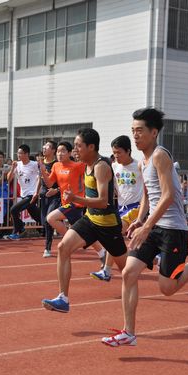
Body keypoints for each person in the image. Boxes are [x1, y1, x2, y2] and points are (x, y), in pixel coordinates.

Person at [102, 108, 188, 347]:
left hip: (173, 229)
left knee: (167, 288)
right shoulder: (143, 161)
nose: (135, 135)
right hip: (153, 226)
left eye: (140, 131)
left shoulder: (159, 156)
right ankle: (129, 333)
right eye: (133, 130)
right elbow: (147, 195)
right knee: (128, 273)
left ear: (154, 132)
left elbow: (167, 195)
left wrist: (146, 226)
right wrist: (140, 219)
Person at [41, 128, 127, 313]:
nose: (75, 150)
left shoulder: (101, 166)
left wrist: (75, 199)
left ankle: (158, 263)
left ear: (91, 147)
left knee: (128, 271)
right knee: (64, 248)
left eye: (79, 146)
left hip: (108, 225)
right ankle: (63, 298)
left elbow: (103, 201)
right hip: (90, 219)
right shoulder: (86, 165)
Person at [40, 141, 107, 264]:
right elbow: (49, 183)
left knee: (51, 218)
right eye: (58, 151)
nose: (60, 154)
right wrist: (43, 171)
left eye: (63, 151)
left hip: (76, 203)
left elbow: (91, 171)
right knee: (85, 232)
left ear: (69, 153)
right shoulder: (56, 166)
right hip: (66, 203)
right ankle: (102, 253)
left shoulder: (77, 166)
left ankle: (71, 239)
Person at [91, 135, 144, 281]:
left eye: (119, 152)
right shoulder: (114, 167)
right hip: (120, 208)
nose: (116, 156)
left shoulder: (139, 166)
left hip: (136, 207)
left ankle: (107, 270)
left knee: (112, 233)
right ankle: (157, 258)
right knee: (117, 238)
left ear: (128, 151)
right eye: (114, 153)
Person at [6, 144, 41, 240]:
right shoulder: (17, 165)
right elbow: (9, 179)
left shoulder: (34, 164)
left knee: (13, 210)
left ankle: (18, 230)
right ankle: (47, 227)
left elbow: (41, 177)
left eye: (20, 153)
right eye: (18, 153)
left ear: (27, 154)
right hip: (23, 194)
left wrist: (37, 192)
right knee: (37, 216)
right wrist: (12, 168)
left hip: (31, 195)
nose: (18, 155)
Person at [38, 140, 60, 257]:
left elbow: (64, 182)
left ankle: (47, 248)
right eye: (43, 147)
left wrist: (56, 190)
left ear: (53, 150)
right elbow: (39, 179)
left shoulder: (57, 164)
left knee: (48, 220)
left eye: (47, 147)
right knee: (45, 223)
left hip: (55, 196)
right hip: (43, 195)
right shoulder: (41, 163)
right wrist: (36, 193)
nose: (44, 148)